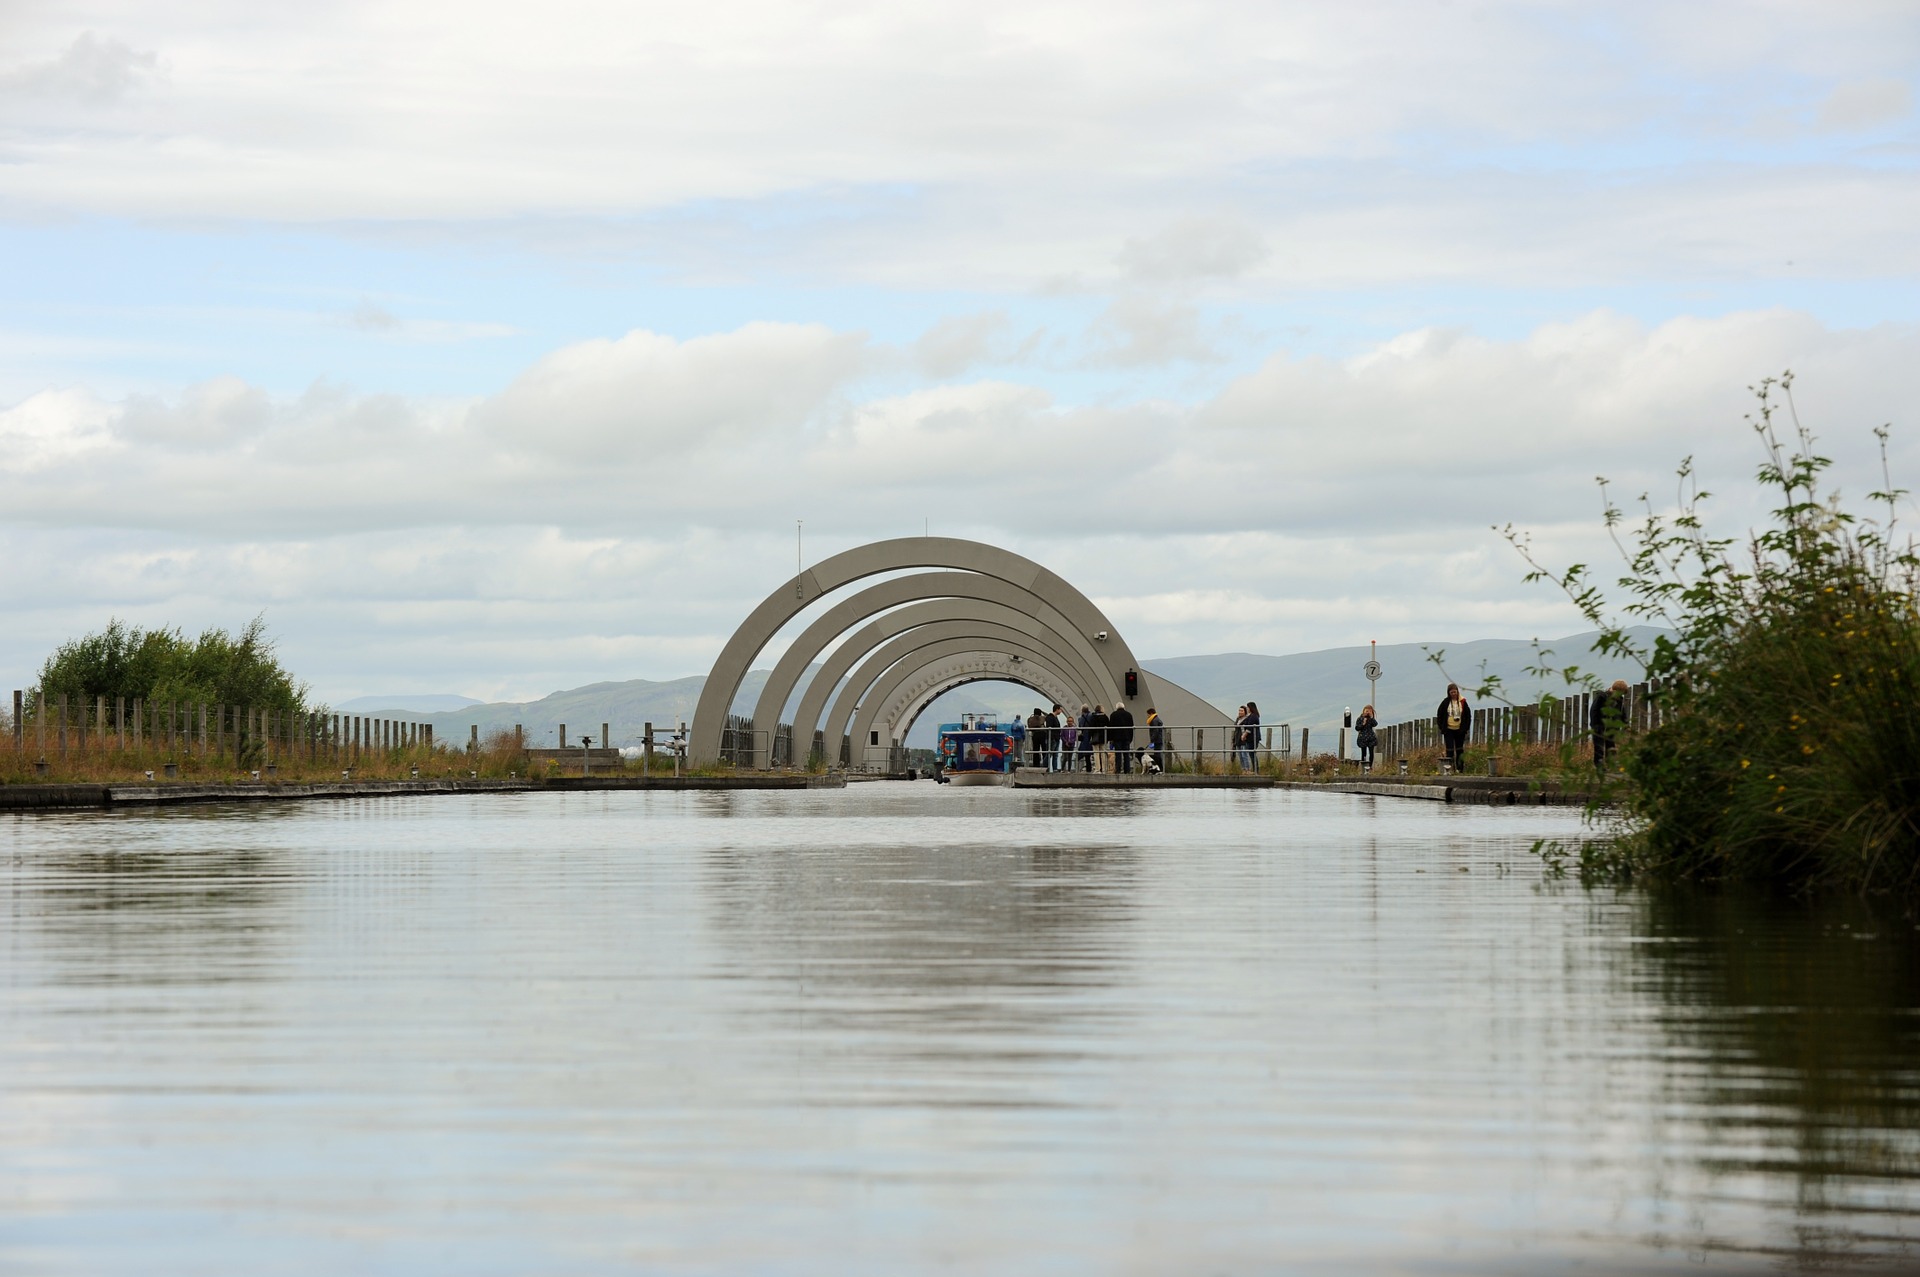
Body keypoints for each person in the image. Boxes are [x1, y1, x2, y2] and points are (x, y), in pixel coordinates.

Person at [1590, 679, 1629, 773]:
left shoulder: (1619, 700)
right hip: (1599, 725)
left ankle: (1612, 765)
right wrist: (1595, 725)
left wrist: (1625, 724)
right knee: (1599, 747)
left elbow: (1621, 713)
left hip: (1612, 727)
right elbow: (1594, 711)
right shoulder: (1601, 697)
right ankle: (1599, 766)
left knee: (1611, 746)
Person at [1435, 683, 1471, 774]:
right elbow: (1439, 714)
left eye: (1455, 692)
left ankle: (1460, 769)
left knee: (1460, 750)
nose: (1453, 694)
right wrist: (1442, 727)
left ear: (1457, 692)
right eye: (1451, 692)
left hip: (1460, 730)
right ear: (1449, 693)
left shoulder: (1463, 702)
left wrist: (1465, 728)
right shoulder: (1445, 702)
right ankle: (1449, 769)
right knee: (1449, 750)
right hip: (1448, 730)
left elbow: (1468, 716)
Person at [1109, 702, 1135, 774]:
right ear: (1123, 707)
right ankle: (1127, 770)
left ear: (1117, 707)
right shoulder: (1129, 715)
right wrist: (1130, 738)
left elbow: (1111, 728)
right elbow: (1131, 727)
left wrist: (1111, 739)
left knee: (1118, 754)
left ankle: (1118, 769)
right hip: (1126, 737)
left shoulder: (1113, 715)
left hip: (1117, 738)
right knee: (1126, 754)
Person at [1238, 701, 1261, 771]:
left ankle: (1255, 769)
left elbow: (1249, 728)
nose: (1247, 708)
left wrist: (1244, 735)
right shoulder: (1251, 716)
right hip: (1250, 738)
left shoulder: (1253, 716)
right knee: (1251, 754)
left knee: (1252, 754)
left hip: (1252, 738)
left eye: (1248, 707)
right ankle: (1255, 769)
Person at [1355, 705, 1379, 772]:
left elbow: (1375, 724)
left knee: (1371, 753)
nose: (1367, 712)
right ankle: (1363, 766)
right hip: (1363, 737)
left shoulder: (1371, 719)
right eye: (1366, 711)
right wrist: (1363, 723)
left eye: (1369, 711)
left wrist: (1371, 718)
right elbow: (1357, 728)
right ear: (1363, 711)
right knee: (1363, 753)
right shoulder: (1360, 719)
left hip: (1370, 737)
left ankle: (1370, 766)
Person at [1089, 704, 1112, 773]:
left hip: (1095, 737)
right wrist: (1109, 738)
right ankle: (1104, 769)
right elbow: (1109, 727)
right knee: (1103, 753)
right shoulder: (1105, 717)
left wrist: (1091, 736)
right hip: (1103, 737)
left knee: (1096, 752)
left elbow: (1091, 728)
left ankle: (1097, 769)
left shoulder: (1093, 717)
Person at [1146, 707, 1165, 772]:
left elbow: (1155, 731)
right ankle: (1159, 768)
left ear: (1151, 713)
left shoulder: (1154, 721)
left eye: (1148, 714)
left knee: (1157, 755)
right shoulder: (1157, 719)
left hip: (1157, 740)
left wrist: (1152, 740)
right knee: (1158, 754)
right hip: (1159, 739)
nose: (1147, 716)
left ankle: (1159, 768)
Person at [1076, 705, 1094, 771]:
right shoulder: (1091, 716)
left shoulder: (1080, 718)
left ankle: (1088, 768)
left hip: (1085, 737)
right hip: (1091, 736)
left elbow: (1080, 727)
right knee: (1096, 751)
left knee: (1086, 754)